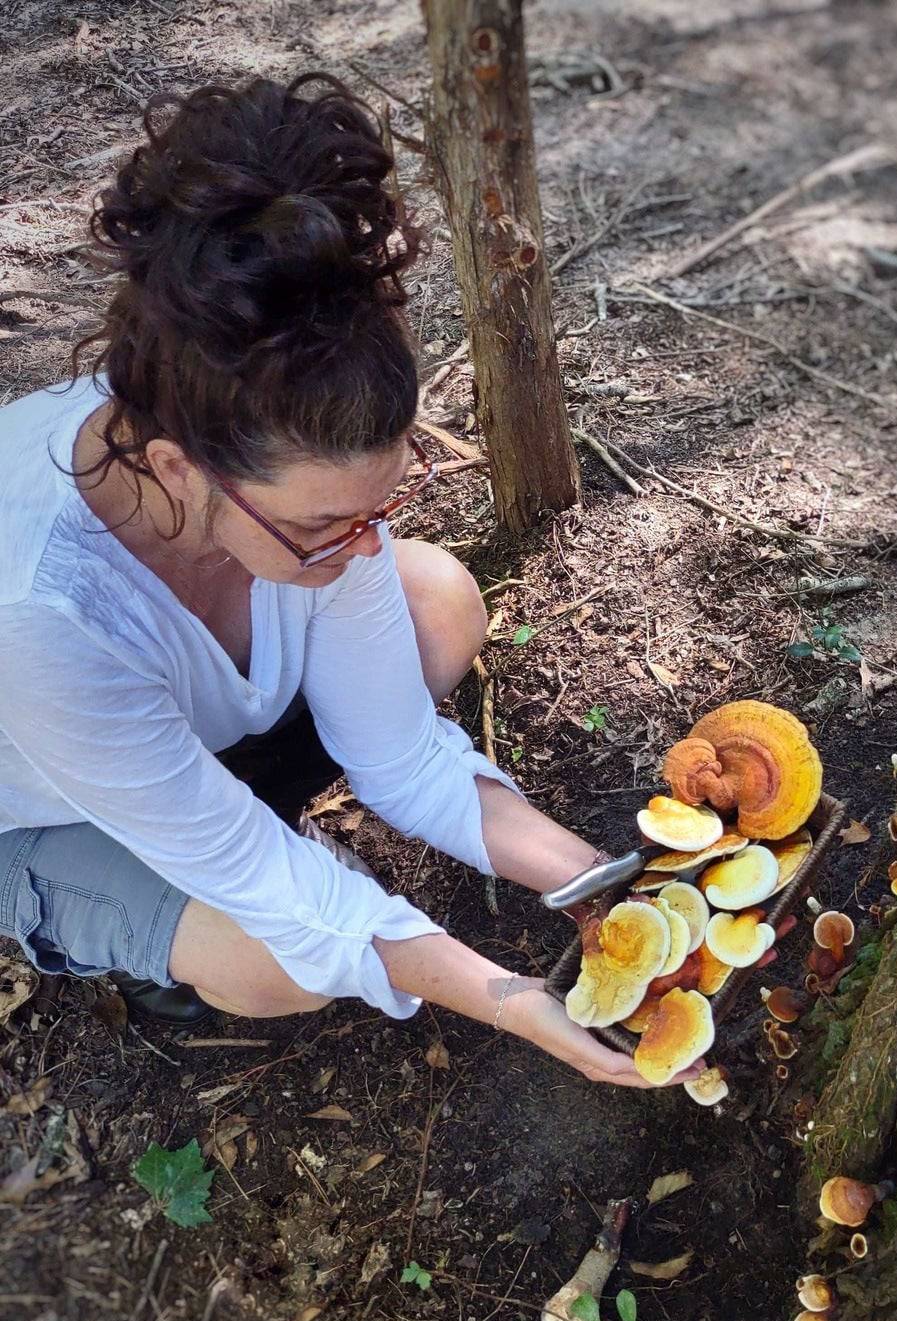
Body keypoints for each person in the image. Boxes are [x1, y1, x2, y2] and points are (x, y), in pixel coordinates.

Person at [0, 72, 692, 1091]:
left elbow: (401, 754)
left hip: (179, 731)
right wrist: (509, 1001)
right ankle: (142, 940)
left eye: (383, 502)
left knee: (438, 600)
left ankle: (219, 809)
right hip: (42, 804)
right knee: (276, 956)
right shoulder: (39, 616)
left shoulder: (268, 427)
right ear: (182, 473)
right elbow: (264, 882)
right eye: (328, 523)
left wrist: (607, 886)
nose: (363, 546)